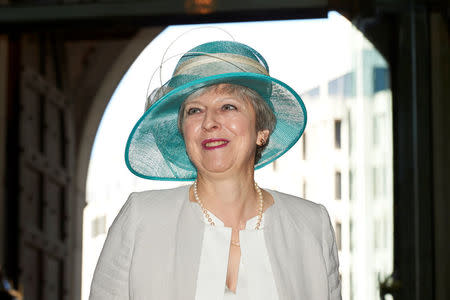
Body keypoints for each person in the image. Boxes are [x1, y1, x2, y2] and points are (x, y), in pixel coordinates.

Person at [89, 40, 341, 300]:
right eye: (194, 110)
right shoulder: (141, 218)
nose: (209, 122)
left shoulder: (312, 225)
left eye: (228, 106)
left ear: (261, 131)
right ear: (183, 132)